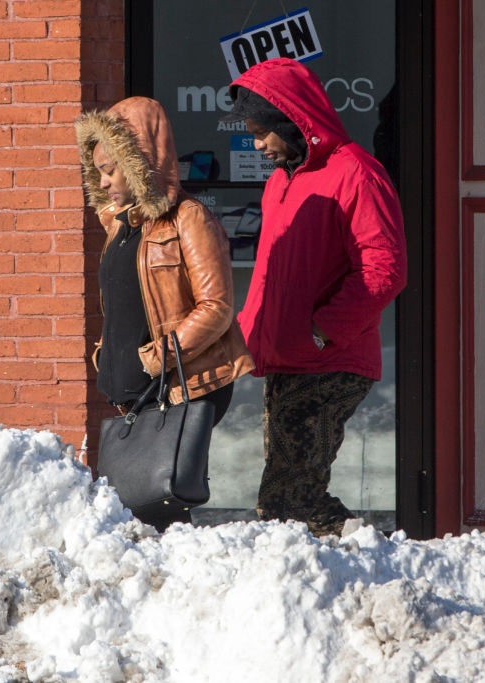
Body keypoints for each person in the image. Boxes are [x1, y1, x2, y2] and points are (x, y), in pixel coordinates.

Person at [220, 58, 408, 537]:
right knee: (291, 493)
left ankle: (360, 565)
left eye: (263, 132)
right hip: (290, 358)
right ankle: (351, 561)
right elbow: (273, 272)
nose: (256, 144)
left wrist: (324, 330)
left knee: (288, 497)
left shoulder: (357, 174)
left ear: (291, 121)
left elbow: (384, 269)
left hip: (329, 360)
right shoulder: (284, 180)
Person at [75, 96, 255, 531]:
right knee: (140, 501)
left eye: (111, 168)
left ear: (140, 161)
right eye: (97, 169)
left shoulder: (189, 219)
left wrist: (157, 356)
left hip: (180, 382)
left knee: (165, 495)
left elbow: (216, 306)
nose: (103, 180)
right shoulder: (119, 225)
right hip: (134, 388)